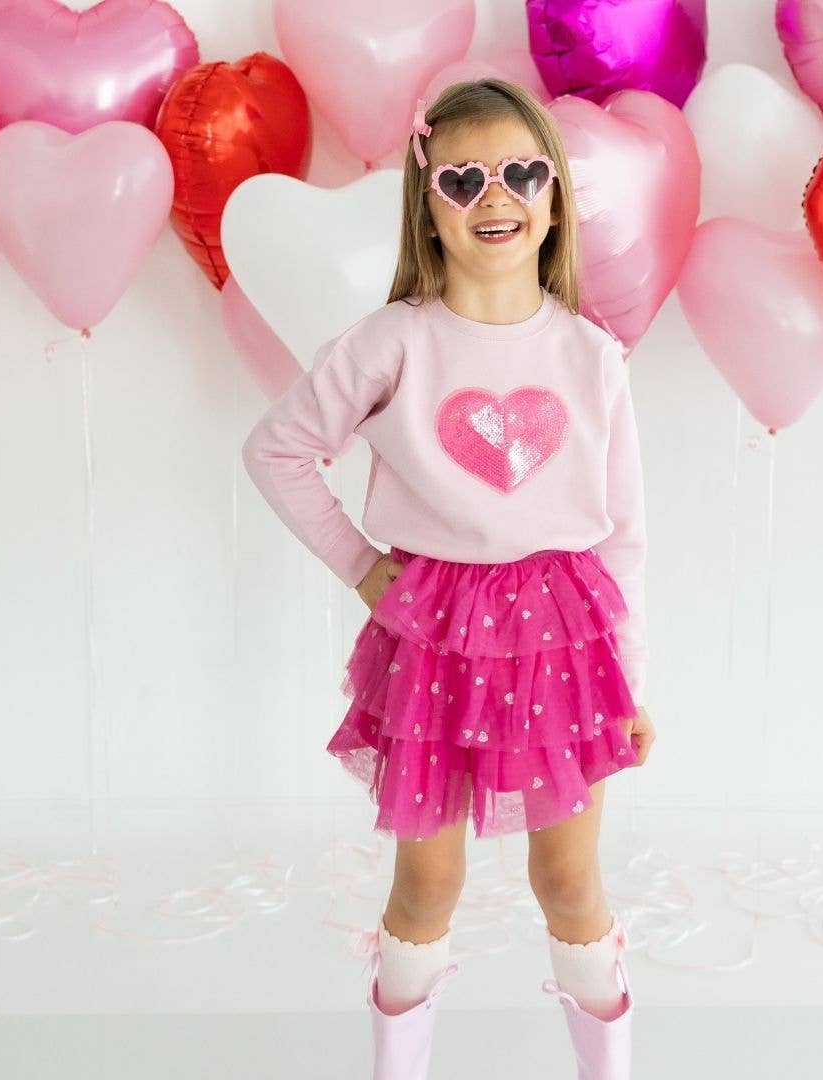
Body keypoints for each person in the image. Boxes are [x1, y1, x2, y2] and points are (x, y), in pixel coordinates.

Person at [241, 77, 654, 1080]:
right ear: (428, 205)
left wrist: (632, 680)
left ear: (553, 196)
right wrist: (360, 565)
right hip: (436, 635)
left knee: (570, 875)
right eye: (463, 179)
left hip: (567, 633)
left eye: (520, 173)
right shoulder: (393, 341)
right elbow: (277, 449)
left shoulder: (592, 357)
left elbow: (625, 533)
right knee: (426, 886)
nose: (494, 197)